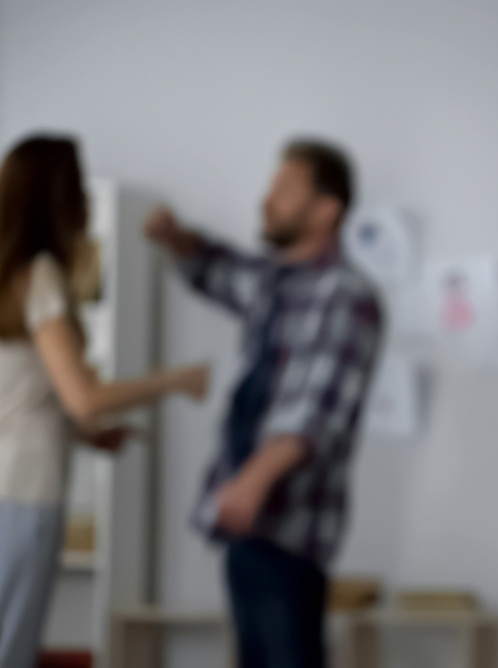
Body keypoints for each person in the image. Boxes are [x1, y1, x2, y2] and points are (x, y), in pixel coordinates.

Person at [145, 139, 383, 668]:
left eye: (283, 190)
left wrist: (252, 481)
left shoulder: (346, 295)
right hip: (244, 518)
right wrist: (174, 237)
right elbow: (217, 268)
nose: (266, 201)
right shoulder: (277, 284)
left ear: (327, 209)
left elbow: (317, 409)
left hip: (286, 523)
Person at [0, 135, 209, 668]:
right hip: (24, 491)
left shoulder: (6, 278)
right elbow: (85, 396)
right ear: (60, 195)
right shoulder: (40, 276)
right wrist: (172, 380)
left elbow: (25, 393)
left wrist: (82, 432)